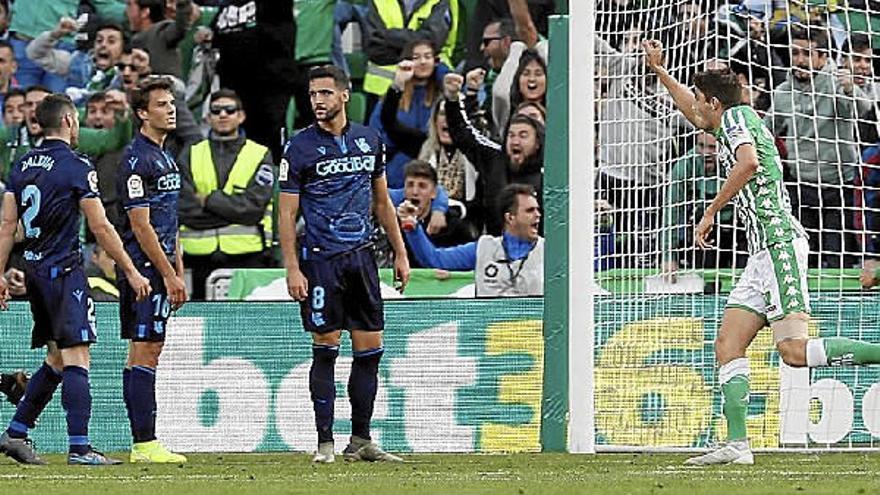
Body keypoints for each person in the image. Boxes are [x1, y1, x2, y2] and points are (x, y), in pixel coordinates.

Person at [644, 39, 880, 466]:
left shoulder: (736, 118)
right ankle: (737, 445)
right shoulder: (732, 116)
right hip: (760, 254)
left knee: (793, 352)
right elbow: (693, 112)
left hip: (780, 243)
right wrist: (661, 73)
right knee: (727, 345)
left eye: (701, 100)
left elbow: (748, 163)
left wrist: (710, 211)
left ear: (714, 102)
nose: (696, 109)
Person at [0, 93, 150, 465]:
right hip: (63, 271)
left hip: (33, 271)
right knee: (77, 358)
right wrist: (129, 270)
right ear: (68, 121)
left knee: (56, 357)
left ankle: (16, 433)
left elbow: (6, 225)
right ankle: (80, 447)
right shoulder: (77, 166)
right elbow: (99, 224)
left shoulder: (20, 166)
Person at [278, 65, 409, 463]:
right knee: (326, 347)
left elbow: (382, 203)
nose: (317, 101)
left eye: (324, 93)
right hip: (320, 262)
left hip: (363, 259)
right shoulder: (298, 148)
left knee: (370, 348)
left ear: (344, 95)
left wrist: (401, 252)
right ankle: (324, 443)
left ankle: (362, 439)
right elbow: (286, 215)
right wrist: (291, 267)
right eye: (313, 94)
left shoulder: (370, 141)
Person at [116, 76, 188, 463]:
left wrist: (179, 266)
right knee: (145, 351)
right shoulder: (136, 159)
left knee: (145, 350)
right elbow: (141, 225)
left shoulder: (165, 156)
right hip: (144, 270)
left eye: (172, 102)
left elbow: (168, 221)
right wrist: (168, 274)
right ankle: (144, 443)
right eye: (162, 104)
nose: (171, 109)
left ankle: (143, 442)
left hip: (160, 266)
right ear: (143, 113)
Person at [765, 25, 867, 268]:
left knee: (836, 260)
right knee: (802, 258)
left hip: (838, 185)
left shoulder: (836, 84)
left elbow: (862, 110)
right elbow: (766, 130)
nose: (799, 60)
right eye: (795, 53)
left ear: (822, 57)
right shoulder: (782, 93)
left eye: (807, 54)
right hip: (801, 185)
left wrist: (851, 89)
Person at [178, 88, 275, 300]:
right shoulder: (191, 153)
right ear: (208, 117)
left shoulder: (259, 154)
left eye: (229, 110)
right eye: (216, 110)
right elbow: (185, 209)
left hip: (248, 257)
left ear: (241, 116)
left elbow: (253, 209)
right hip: (199, 258)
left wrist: (209, 200)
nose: (223, 115)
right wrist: (230, 213)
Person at [443, 72, 544, 236]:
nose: (515, 141)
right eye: (511, 135)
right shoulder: (495, 159)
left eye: (523, 135)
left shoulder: (551, 171)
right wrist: (453, 100)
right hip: (496, 250)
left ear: (538, 142)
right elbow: (465, 135)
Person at [400, 182, 542, 296]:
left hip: (534, 329)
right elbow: (435, 259)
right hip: (490, 329)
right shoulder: (484, 248)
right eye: (530, 210)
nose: (538, 215)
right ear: (510, 218)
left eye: (537, 209)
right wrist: (413, 229)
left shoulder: (550, 252)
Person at [26, 19, 126, 98]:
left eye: (111, 41)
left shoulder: (129, 71)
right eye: (99, 40)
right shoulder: (77, 61)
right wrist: (55, 34)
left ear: (123, 48)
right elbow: (35, 54)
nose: (103, 45)